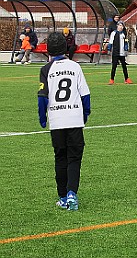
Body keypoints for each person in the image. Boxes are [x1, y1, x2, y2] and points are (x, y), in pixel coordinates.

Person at [37, 32, 91, 211]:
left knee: (60, 158)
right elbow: (85, 94)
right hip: (74, 119)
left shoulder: (46, 69)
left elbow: (42, 96)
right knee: (74, 158)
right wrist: (85, 114)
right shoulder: (75, 66)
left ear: (49, 50)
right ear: (66, 48)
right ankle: (72, 194)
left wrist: (43, 117)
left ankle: (62, 197)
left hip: (57, 120)